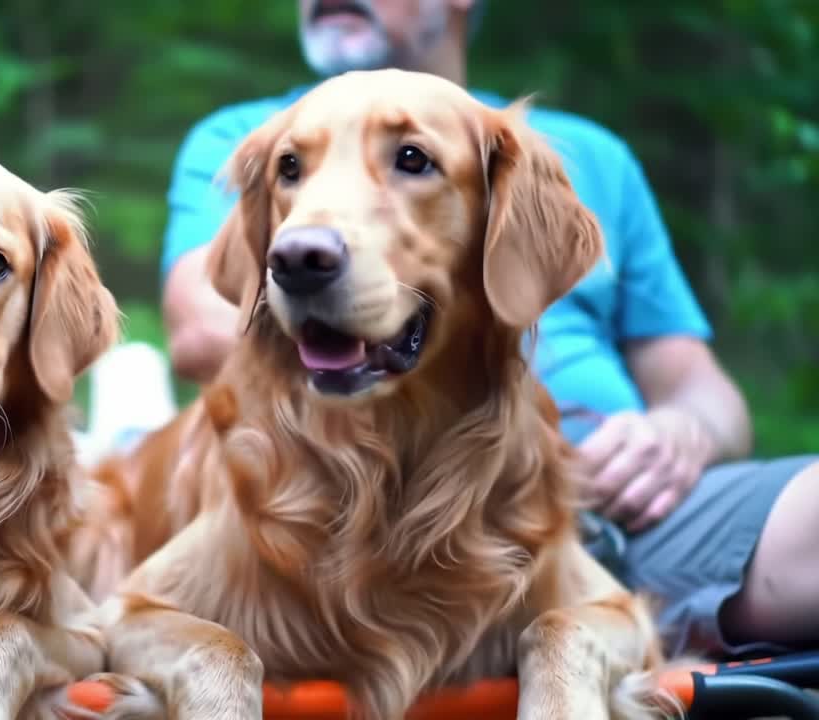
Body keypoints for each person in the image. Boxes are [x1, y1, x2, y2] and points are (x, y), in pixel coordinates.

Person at [158, 0, 819, 658]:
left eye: (412, 160)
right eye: (294, 174)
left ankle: (614, 624)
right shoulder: (248, 137)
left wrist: (681, 432)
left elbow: (704, 390)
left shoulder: (590, 156)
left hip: (627, 507)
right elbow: (203, 327)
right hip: (356, 508)